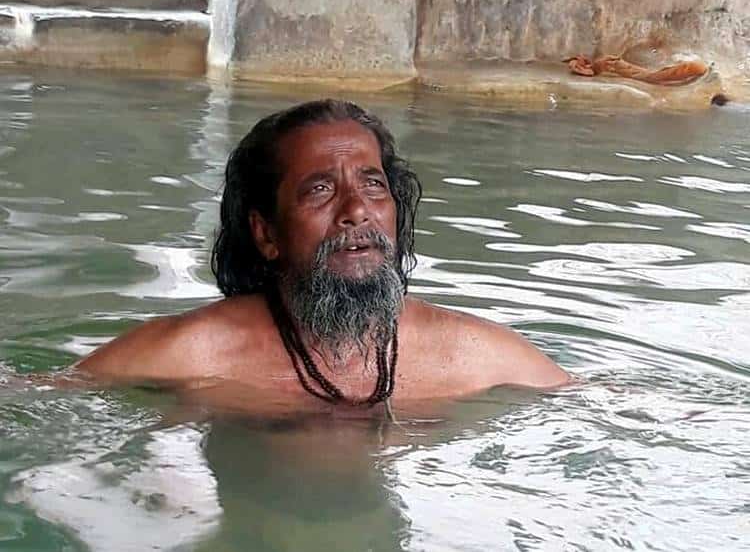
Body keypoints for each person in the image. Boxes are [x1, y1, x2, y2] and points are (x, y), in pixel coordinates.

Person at [74, 99, 569, 415]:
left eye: (373, 185)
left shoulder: (474, 355)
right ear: (266, 233)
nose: (356, 211)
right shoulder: (193, 353)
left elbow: (599, 402)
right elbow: (40, 396)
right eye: (320, 190)